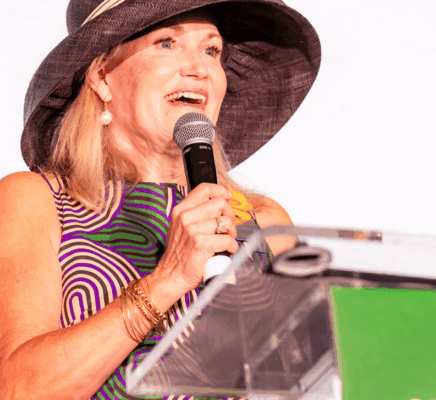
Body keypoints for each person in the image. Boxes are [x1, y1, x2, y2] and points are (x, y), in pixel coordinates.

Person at [0, 0, 320, 398]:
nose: (199, 68)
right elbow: (19, 390)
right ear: (102, 77)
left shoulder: (263, 222)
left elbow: (315, 376)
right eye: (167, 43)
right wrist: (169, 279)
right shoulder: (38, 201)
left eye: (211, 50)